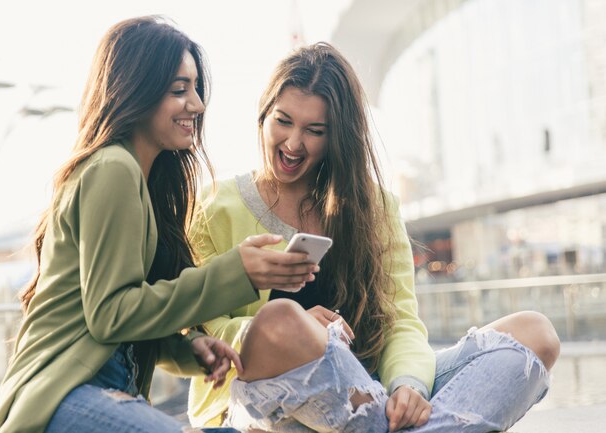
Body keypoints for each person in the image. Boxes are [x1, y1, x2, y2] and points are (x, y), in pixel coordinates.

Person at [187, 42, 560, 432]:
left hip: (370, 394)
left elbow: (401, 320)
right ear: (263, 115)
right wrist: (299, 337)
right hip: (264, 401)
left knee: (535, 334)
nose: (294, 143)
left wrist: (408, 385)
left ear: (337, 138)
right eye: (283, 121)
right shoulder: (214, 205)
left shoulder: (374, 207)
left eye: (315, 131)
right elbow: (205, 326)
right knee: (282, 321)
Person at [0, 16, 319, 433]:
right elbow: (111, 315)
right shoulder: (112, 168)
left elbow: (117, 322)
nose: (196, 104)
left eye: (196, 89)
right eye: (179, 89)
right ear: (135, 90)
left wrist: (187, 348)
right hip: (63, 392)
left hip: (105, 387)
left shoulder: (143, 182)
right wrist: (238, 271)